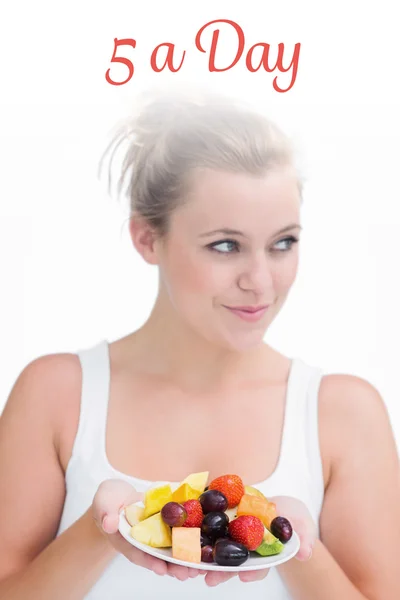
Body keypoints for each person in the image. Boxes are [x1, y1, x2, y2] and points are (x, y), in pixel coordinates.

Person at [0, 86, 399, 600]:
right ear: (147, 238)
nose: (261, 280)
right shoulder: (55, 395)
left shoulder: (344, 413)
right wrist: (103, 529)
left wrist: (295, 543)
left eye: (283, 242)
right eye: (225, 245)